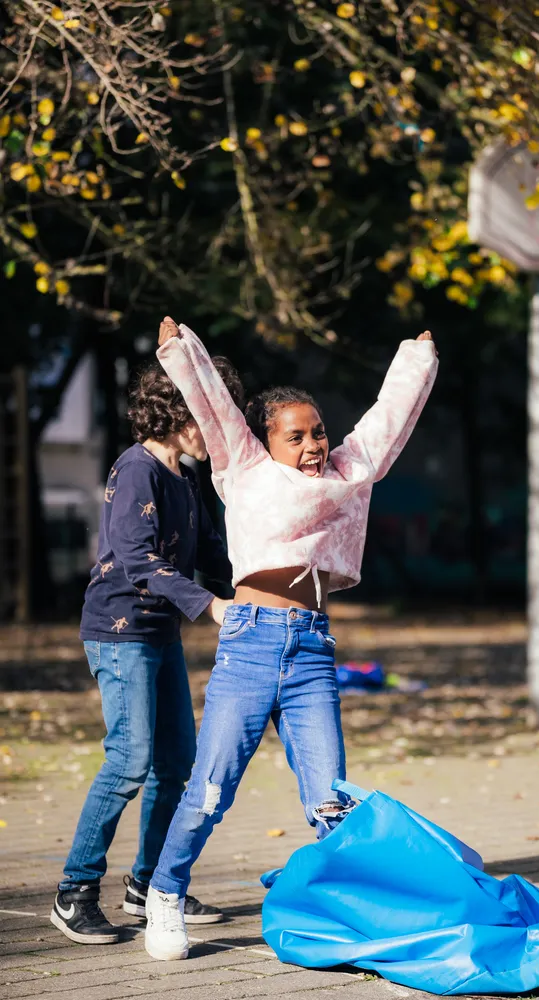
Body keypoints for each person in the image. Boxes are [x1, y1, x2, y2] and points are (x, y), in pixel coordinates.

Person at [144, 317, 439, 961]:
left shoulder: (345, 473)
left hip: (311, 649)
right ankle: (164, 896)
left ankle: (350, 911)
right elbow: (215, 409)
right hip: (249, 645)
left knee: (331, 801)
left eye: (319, 432)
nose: (312, 445)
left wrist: (415, 359)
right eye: (296, 436)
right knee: (211, 788)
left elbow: (387, 424)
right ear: (266, 442)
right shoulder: (243, 468)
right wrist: (181, 348)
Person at [50, 356, 243, 945]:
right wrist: (209, 606)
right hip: (118, 633)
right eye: (211, 416)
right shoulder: (137, 469)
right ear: (181, 414)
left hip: (158, 634)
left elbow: (214, 554)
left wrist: (265, 590)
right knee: (130, 759)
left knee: (176, 764)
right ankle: (74, 891)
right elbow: (138, 560)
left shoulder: (185, 479)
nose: (219, 431)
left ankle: (149, 885)